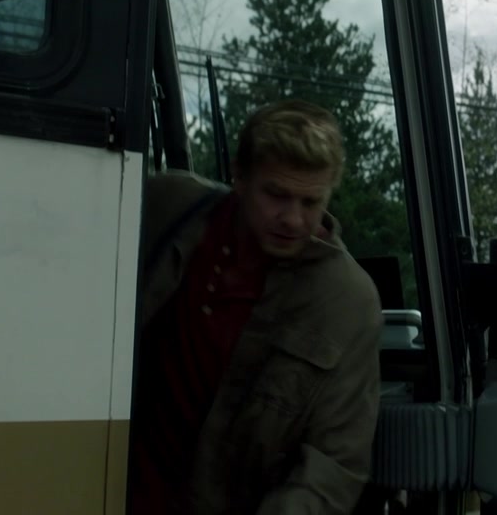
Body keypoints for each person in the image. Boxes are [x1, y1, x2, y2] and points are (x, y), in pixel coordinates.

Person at [127, 99, 384, 515]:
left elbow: (334, 465)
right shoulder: (168, 206)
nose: (293, 219)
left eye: (311, 202)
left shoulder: (347, 303)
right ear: (240, 177)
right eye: (276, 195)